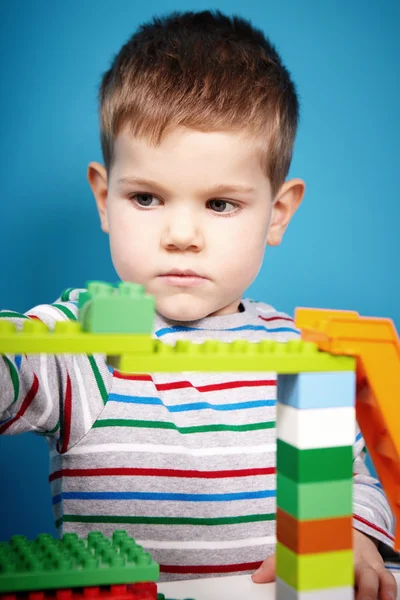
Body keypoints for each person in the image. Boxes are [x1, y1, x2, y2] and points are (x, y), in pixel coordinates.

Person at [0, 10, 397, 600]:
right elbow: (17, 367)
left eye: (219, 204)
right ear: (105, 200)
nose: (181, 234)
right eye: (146, 197)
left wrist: (354, 536)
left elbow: (352, 479)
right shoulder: (84, 345)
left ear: (277, 213)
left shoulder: (300, 356)